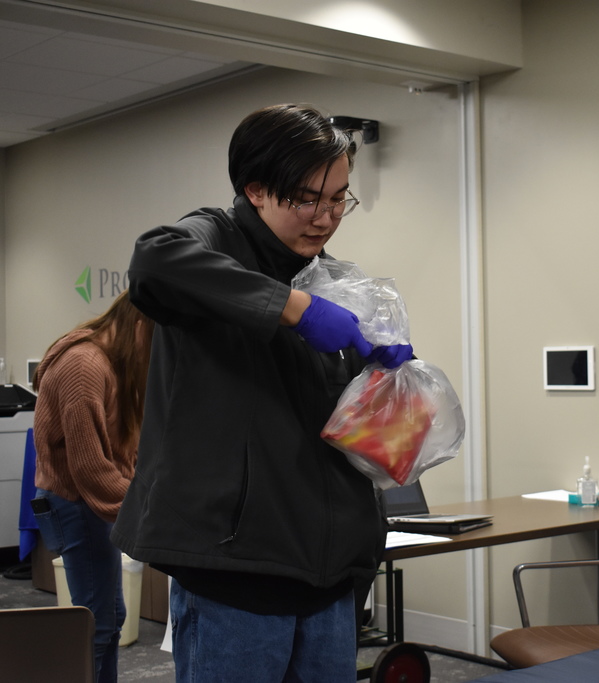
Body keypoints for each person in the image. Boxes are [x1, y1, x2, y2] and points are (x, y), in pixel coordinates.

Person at [110, 103, 413, 682]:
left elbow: (338, 428)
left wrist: (388, 386)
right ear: (255, 189)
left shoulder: (331, 276)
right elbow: (153, 261)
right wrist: (292, 310)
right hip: (237, 572)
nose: (325, 217)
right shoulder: (213, 239)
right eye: (306, 199)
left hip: (328, 570)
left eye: (338, 199)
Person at [32, 291, 154, 683]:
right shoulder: (83, 365)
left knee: (110, 617)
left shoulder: (112, 362)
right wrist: (149, 518)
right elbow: (90, 469)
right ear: (138, 326)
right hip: (75, 503)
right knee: (97, 624)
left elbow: (122, 449)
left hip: (88, 503)